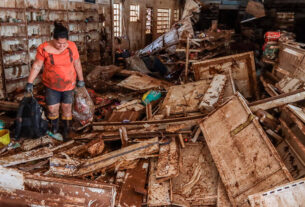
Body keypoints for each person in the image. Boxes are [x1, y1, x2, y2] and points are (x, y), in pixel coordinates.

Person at [25, 22, 85, 139]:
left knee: (67, 107)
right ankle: (55, 129)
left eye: (64, 43)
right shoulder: (43, 48)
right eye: (59, 43)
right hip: (51, 85)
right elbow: (37, 66)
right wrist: (30, 82)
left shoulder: (72, 46)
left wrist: (81, 79)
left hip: (69, 83)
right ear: (53, 38)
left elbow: (77, 63)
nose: (62, 46)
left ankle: (67, 130)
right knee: (52, 108)